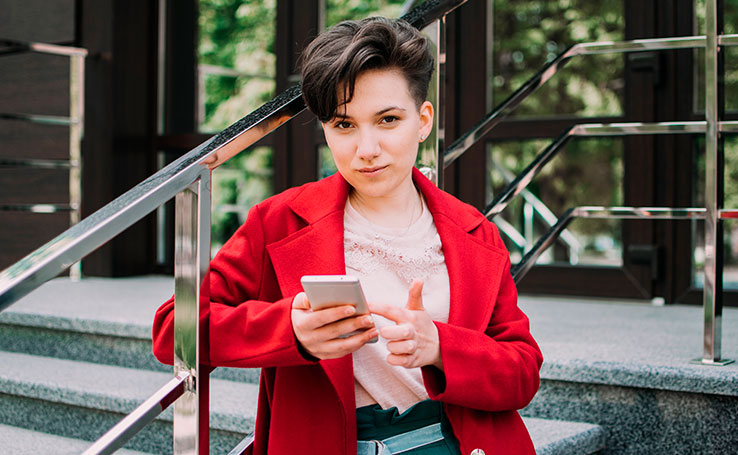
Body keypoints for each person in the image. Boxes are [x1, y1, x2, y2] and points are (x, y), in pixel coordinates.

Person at [152, 16, 542, 455]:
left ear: (424, 120)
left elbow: (523, 372)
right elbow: (174, 330)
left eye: (388, 120)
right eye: (344, 124)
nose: (367, 149)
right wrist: (291, 331)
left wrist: (440, 347)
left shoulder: (475, 232)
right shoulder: (279, 221)